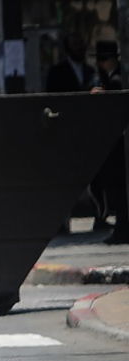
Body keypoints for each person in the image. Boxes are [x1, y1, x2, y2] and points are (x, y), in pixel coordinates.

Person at [91, 41, 129, 243]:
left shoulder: (116, 80)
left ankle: (122, 229)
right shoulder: (113, 78)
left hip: (117, 147)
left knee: (117, 189)